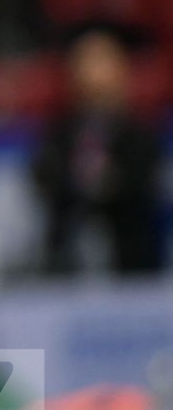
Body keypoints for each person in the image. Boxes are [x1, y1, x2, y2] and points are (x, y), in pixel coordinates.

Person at [31, 27, 164, 276]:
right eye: (86, 61)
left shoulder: (139, 133)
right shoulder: (60, 132)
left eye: (102, 60)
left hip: (129, 264)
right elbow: (43, 177)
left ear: (121, 69)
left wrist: (107, 183)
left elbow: (142, 182)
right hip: (66, 264)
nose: (94, 71)